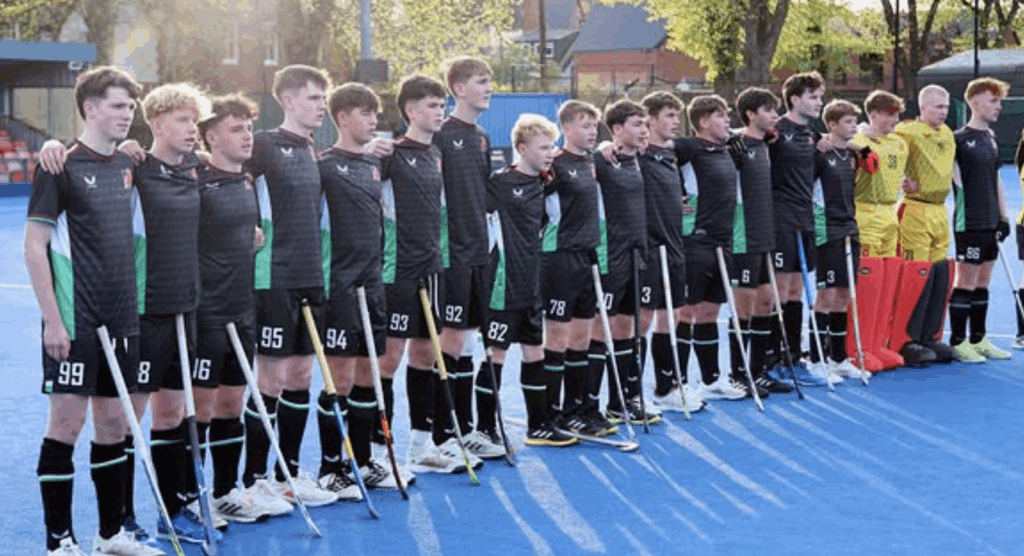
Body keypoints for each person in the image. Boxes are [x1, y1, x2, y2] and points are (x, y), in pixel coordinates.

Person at [38, 82, 225, 542]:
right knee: (105, 423)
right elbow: (36, 243)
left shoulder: (183, 166)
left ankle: (149, 518)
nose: (192, 129)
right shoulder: (124, 164)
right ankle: (97, 527)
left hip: (168, 310)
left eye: (129, 106)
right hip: (123, 313)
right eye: (182, 120)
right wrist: (51, 144)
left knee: (154, 416)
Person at [26, 66, 163, 556]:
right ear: (90, 108)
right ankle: (59, 541)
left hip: (122, 320)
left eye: (131, 106)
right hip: (75, 321)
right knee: (66, 427)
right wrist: (53, 321)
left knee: (113, 428)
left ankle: (110, 535)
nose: (128, 115)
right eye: (118, 106)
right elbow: (34, 247)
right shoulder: (58, 165)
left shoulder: (128, 162)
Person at [242, 65, 338, 507]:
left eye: (324, 99)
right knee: (272, 379)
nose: (322, 107)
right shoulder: (262, 144)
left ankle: (289, 474)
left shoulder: (312, 149)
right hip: (273, 276)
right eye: (314, 98)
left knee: (301, 377)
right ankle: (253, 479)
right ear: (288, 100)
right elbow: (217, 168)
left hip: (311, 276)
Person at [194, 94, 289, 522]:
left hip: (242, 307)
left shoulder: (249, 179)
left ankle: (225, 492)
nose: (247, 136)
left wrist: (249, 239)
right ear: (211, 137)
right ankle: (190, 496)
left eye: (249, 128)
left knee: (232, 406)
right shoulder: (194, 177)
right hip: (205, 312)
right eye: (236, 129)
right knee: (201, 409)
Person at [377, 74, 469, 474]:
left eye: (441, 105)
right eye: (432, 105)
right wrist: (369, 148)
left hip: (433, 268)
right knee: (389, 359)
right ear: (410, 110)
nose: (440, 112)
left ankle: (420, 444)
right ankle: (378, 451)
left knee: (426, 355)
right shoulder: (389, 154)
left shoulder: (436, 154)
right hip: (396, 270)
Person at [314, 82, 402, 494]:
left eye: (375, 114)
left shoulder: (373, 164)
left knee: (370, 374)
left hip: (374, 283)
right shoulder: (323, 165)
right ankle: (330, 467)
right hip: (340, 286)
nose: (373, 122)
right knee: (341, 379)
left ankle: (363, 461)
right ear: (343, 117)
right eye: (365, 114)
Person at [485, 114, 577, 445]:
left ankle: (538, 426)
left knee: (534, 351)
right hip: (502, 283)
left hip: (531, 281)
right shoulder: (498, 182)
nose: (550, 153)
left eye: (552, 147)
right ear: (522, 149)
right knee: (496, 353)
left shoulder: (544, 182)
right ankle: (485, 429)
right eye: (543, 148)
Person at [432, 57, 505, 460]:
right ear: (459, 88)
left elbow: (487, 192)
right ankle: (443, 435)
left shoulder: (481, 137)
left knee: (469, 344)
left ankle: (466, 430)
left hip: (481, 253)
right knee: (451, 343)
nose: (489, 87)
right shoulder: (440, 134)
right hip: (452, 255)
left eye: (489, 80)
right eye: (481, 81)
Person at [674, 95, 763, 399]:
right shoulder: (687, 148)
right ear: (702, 121)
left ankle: (711, 380)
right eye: (721, 116)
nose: (728, 120)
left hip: (723, 241)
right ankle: (678, 383)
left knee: (710, 311)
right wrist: (673, 197)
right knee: (686, 312)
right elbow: (650, 155)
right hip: (694, 240)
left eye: (727, 115)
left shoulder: (729, 148)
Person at [540, 100, 618, 438]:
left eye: (594, 126)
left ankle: (576, 410)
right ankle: (549, 413)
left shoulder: (592, 161)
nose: (591, 132)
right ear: (566, 128)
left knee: (583, 338)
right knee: (558, 337)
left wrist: (604, 146)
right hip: (559, 258)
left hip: (588, 257)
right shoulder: (553, 164)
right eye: (584, 126)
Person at [635, 91, 709, 413]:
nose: (676, 122)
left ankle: (666, 388)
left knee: (672, 316)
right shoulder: (636, 154)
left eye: (677, 116)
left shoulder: (671, 154)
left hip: (675, 246)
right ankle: (632, 394)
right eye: (669, 116)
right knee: (643, 320)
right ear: (649, 120)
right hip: (648, 250)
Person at [592, 99, 661, 425]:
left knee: (635, 326)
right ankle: (589, 406)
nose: (644, 130)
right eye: (637, 124)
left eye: (646, 124)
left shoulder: (646, 158)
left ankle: (624, 400)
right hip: (611, 256)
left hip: (641, 255)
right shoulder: (603, 160)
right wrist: (604, 146)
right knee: (601, 329)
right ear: (617, 129)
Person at [766, 71, 831, 387]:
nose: (819, 103)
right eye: (813, 97)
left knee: (796, 291)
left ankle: (793, 357)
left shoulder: (813, 134)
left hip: (805, 220)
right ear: (794, 99)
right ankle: (771, 359)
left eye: (820, 97)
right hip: (780, 220)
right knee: (779, 291)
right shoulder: (776, 131)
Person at [728, 87, 792, 395]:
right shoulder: (735, 144)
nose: (775, 116)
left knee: (766, 301)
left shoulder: (768, 142)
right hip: (743, 233)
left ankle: (758, 370)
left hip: (767, 232)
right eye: (768, 110)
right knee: (744, 305)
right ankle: (738, 374)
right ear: (751, 114)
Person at [846, 90, 916, 369]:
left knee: (887, 281)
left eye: (897, 115)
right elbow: (835, 140)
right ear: (873, 114)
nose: (894, 120)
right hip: (865, 212)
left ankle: (877, 345)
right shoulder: (859, 140)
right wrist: (859, 141)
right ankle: (856, 347)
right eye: (889, 114)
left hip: (890, 213)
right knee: (867, 281)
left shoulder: (899, 143)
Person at [890, 85, 958, 365]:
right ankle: (907, 339)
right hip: (916, 209)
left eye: (946, 107)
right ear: (922, 107)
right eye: (937, 107)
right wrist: (900, 179)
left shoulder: (947, 133)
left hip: (940, 209)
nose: (943, 112)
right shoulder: (907, 131)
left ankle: (930, 335)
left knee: (939, 275)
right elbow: (881, 145)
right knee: (916, 275)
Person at [947, 77, 1013, 363]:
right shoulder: (957, 139)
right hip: (969, 221)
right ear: (975, 102)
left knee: (984, 281)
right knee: (966, 280)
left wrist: (1003, 216)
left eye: (1000, 101)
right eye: (993, 101)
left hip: (990, 220)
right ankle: (958, 341)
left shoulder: (991, 139)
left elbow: (997, 179)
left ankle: (979, 338)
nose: (998, 107)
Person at [809, 99, 868, 382]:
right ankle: (816, 360)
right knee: (827, 295)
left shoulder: (852, 154)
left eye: (855, 121)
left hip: (850, 227)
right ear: (831, 125)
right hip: (826, 228)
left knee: (844, 294)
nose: (854, 126)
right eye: (848, 121)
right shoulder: (819, 154)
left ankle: (838, 358)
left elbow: (868, 154)